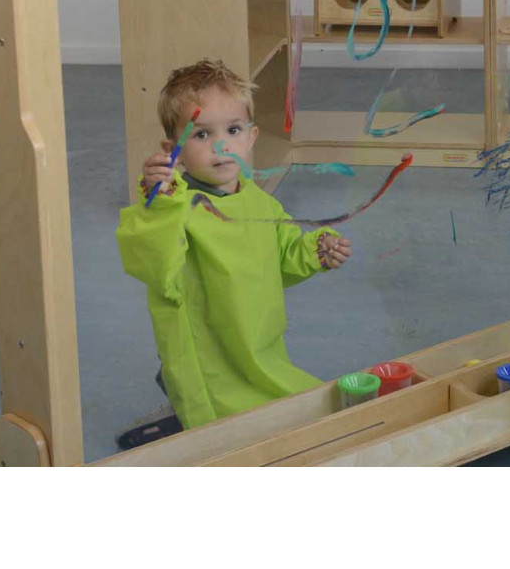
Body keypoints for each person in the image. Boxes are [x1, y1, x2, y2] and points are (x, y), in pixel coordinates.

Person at [117, 58, 351, 430]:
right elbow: (151, 261)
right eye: (201, 135)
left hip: (257, 344)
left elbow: (280, 255)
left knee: (289, 403)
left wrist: (315, 251)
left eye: (233, 129)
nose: (221, 145)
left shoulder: (257, 200)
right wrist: (158, 203)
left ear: (252, 137)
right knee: (228, 426)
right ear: (172, 150)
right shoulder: (176, 208)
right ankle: (178, 400)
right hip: (208, 354)